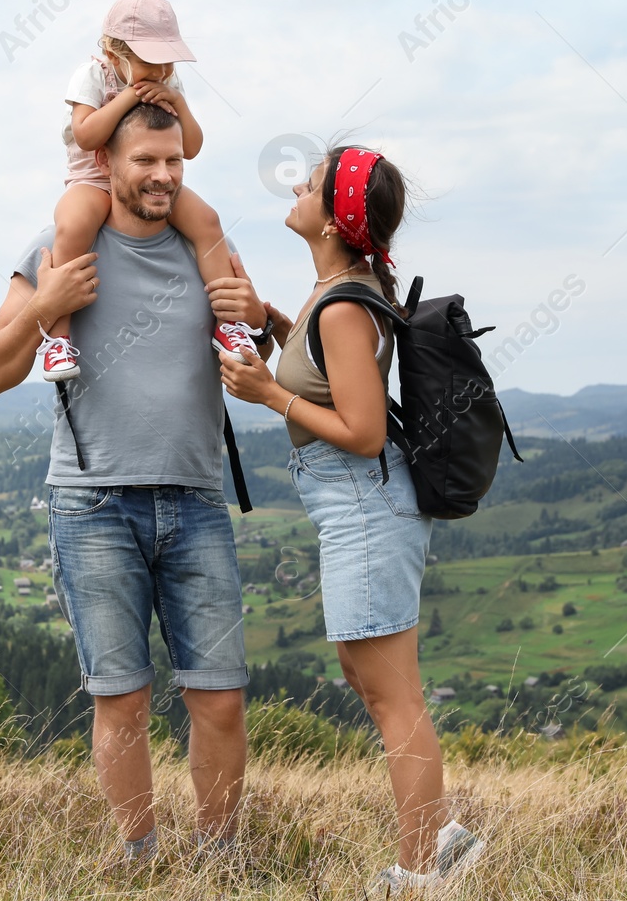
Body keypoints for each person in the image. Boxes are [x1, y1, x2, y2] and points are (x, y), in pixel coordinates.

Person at [0, 101, 270, 861]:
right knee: (123, 700)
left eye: (175, 161)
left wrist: (260, 319)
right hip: (93, 503)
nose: (164, 175)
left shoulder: (210, 247)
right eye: (147, 161)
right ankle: (141, 857)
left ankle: (219, 859)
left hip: (198, 499)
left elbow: (266, 358)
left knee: (222, 699)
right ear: (107, 163)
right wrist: (45, 306)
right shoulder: (58, 245)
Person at [218, 145, 486, 892]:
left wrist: (267, 396)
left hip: (364, 504)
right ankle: (445, 839)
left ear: (334, 220)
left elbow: (364, 430)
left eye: (309, 182)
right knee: (372, 680)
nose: (296, 186)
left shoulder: (339, 304)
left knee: (393, 696)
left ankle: (419, 871)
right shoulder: (337, 287)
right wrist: (271, 321)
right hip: (359, 506)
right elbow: (325, 378)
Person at [36, 0, 256, 382]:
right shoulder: (93, 76)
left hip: (148, 182)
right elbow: (86, 136)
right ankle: (58, 338)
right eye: (149, 61)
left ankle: (229, 323)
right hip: (93, 177)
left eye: (167, 60)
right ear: (115, 51)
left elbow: (191, 147)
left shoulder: (170, 83)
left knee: (207, 220)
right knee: (72, 227)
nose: (160, 70)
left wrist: (178, 104)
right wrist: (126, 100)